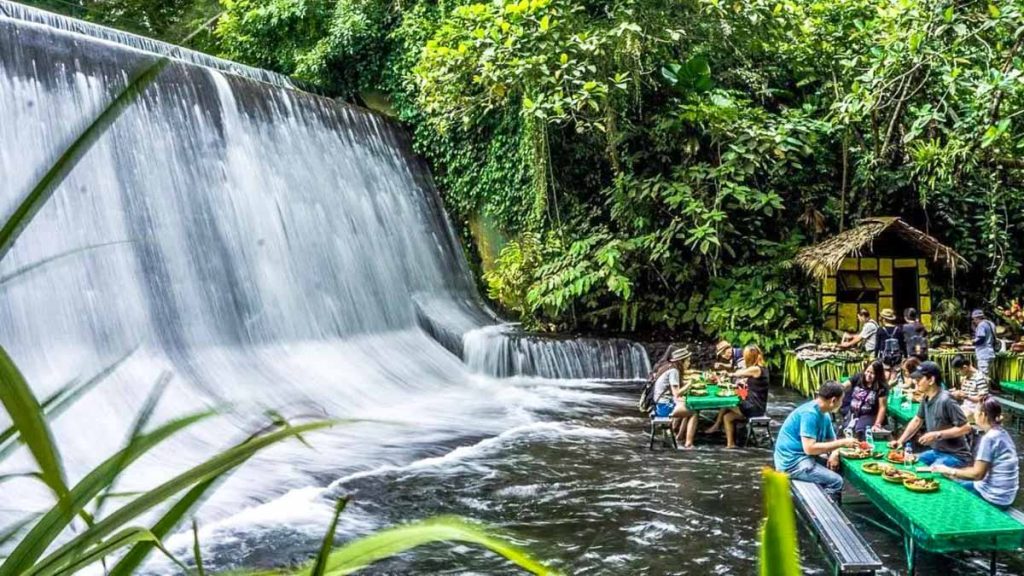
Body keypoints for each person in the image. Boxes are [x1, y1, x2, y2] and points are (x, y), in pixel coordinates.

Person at [774, 381, 859, 496]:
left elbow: (832, 441)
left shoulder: (825, 414)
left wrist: (834, 453)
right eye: (841, 400)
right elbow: (809, 449)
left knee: (838, 466)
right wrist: (842, 443)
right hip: (792, 463)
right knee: (836, 481)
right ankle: (826, 510)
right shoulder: (809, 414)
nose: (842, 403)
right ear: (833, 400)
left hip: (805, 457)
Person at [933, 396, 1019, 509]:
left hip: (993, 497)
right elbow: (980, 471)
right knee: (957, 481)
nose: (973, 414)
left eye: (976, 411)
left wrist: (950, 470)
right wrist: (955, 474)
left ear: (982, 415)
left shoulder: (989, 438)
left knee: (948, 493)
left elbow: (977, 474)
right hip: (1005, 496)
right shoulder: (1002, 433)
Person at [888, 361, 972, 468]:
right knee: (910, 464)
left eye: (919, 379)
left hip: (956, 456)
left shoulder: (946, 400)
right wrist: (900, 441)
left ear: (931, 380)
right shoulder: (926, 397)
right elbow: (917, 420)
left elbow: (966, 428)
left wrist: (936, 435)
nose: (915, 382)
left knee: (931, 472)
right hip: (936, 451)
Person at [706, 345, 769, 449]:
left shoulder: (756, 369)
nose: (743, 359)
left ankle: (716, 425)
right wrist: (736, 388)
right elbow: (752, 388)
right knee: (727, 417)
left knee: (725, 402)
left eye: (745, 357)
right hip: (755, 403)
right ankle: (730, 444)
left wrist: (728, 374)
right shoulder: (760, 368)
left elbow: (739, 373)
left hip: (754, 407)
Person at [650, 347, 700, 448]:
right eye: (687, 360)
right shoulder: (674, 371)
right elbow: (676, 393)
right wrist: (689, 384)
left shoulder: (668, 367)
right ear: (682, 361)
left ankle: (679, 436)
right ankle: (689, 443)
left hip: (659, 403)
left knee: (687, 405)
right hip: (663, 406)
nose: (689, 363)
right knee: (694, 412)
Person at [841, 360, 888, 438]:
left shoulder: (882, 387)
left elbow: (882, 407)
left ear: (878, 375)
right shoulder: (859, 377)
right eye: (867, 371)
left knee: (860, 431)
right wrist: (834, 390)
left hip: (870, 414)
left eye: (872, 373)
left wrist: (877, 424)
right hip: (853, 413)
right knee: (845, 431)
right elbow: (845, 386)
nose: (868, 375)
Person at [951, 354, 989, 421]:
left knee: (955, 418)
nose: (958, 374)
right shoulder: (965, 377)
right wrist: (957, 393)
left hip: (976, 410)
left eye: (958, 371)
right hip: (966, 407)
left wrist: (965, 396)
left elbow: (982, 400)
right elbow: (966, 393)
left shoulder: (979, 378)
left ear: (965, 367)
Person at [971, 309, 997, 378]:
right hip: (991, 352)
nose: (974, 321)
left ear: (976, 318)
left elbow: (981, 338)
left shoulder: (981, 325)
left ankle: (985, 389)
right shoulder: (991, 324)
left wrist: (972, 342)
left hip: (983, 354)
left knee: (983, 376)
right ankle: (988, 388)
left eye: (973, 319)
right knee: (987, 376)